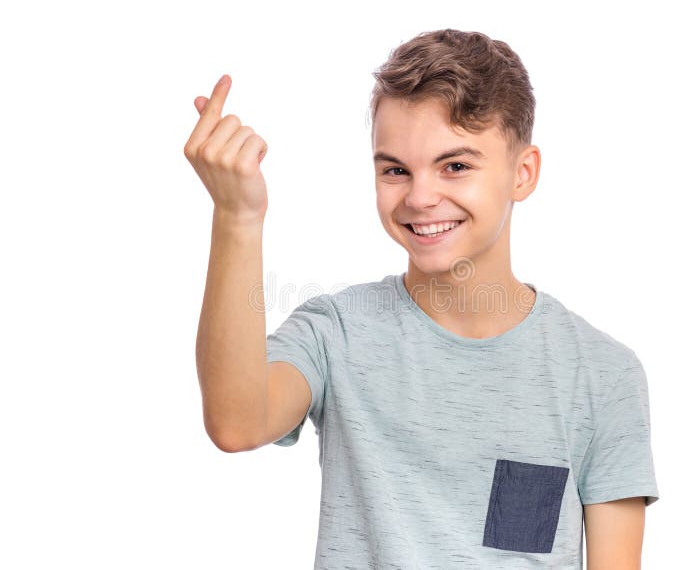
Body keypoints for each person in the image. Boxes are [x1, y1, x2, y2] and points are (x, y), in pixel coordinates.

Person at [185, 28, 659, 569]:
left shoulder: (601, 375)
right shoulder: (335, 333)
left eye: (455, 165)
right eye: (395, 170)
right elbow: (236, 422)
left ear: (522, 174)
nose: (420, 197)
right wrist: (237, 217)